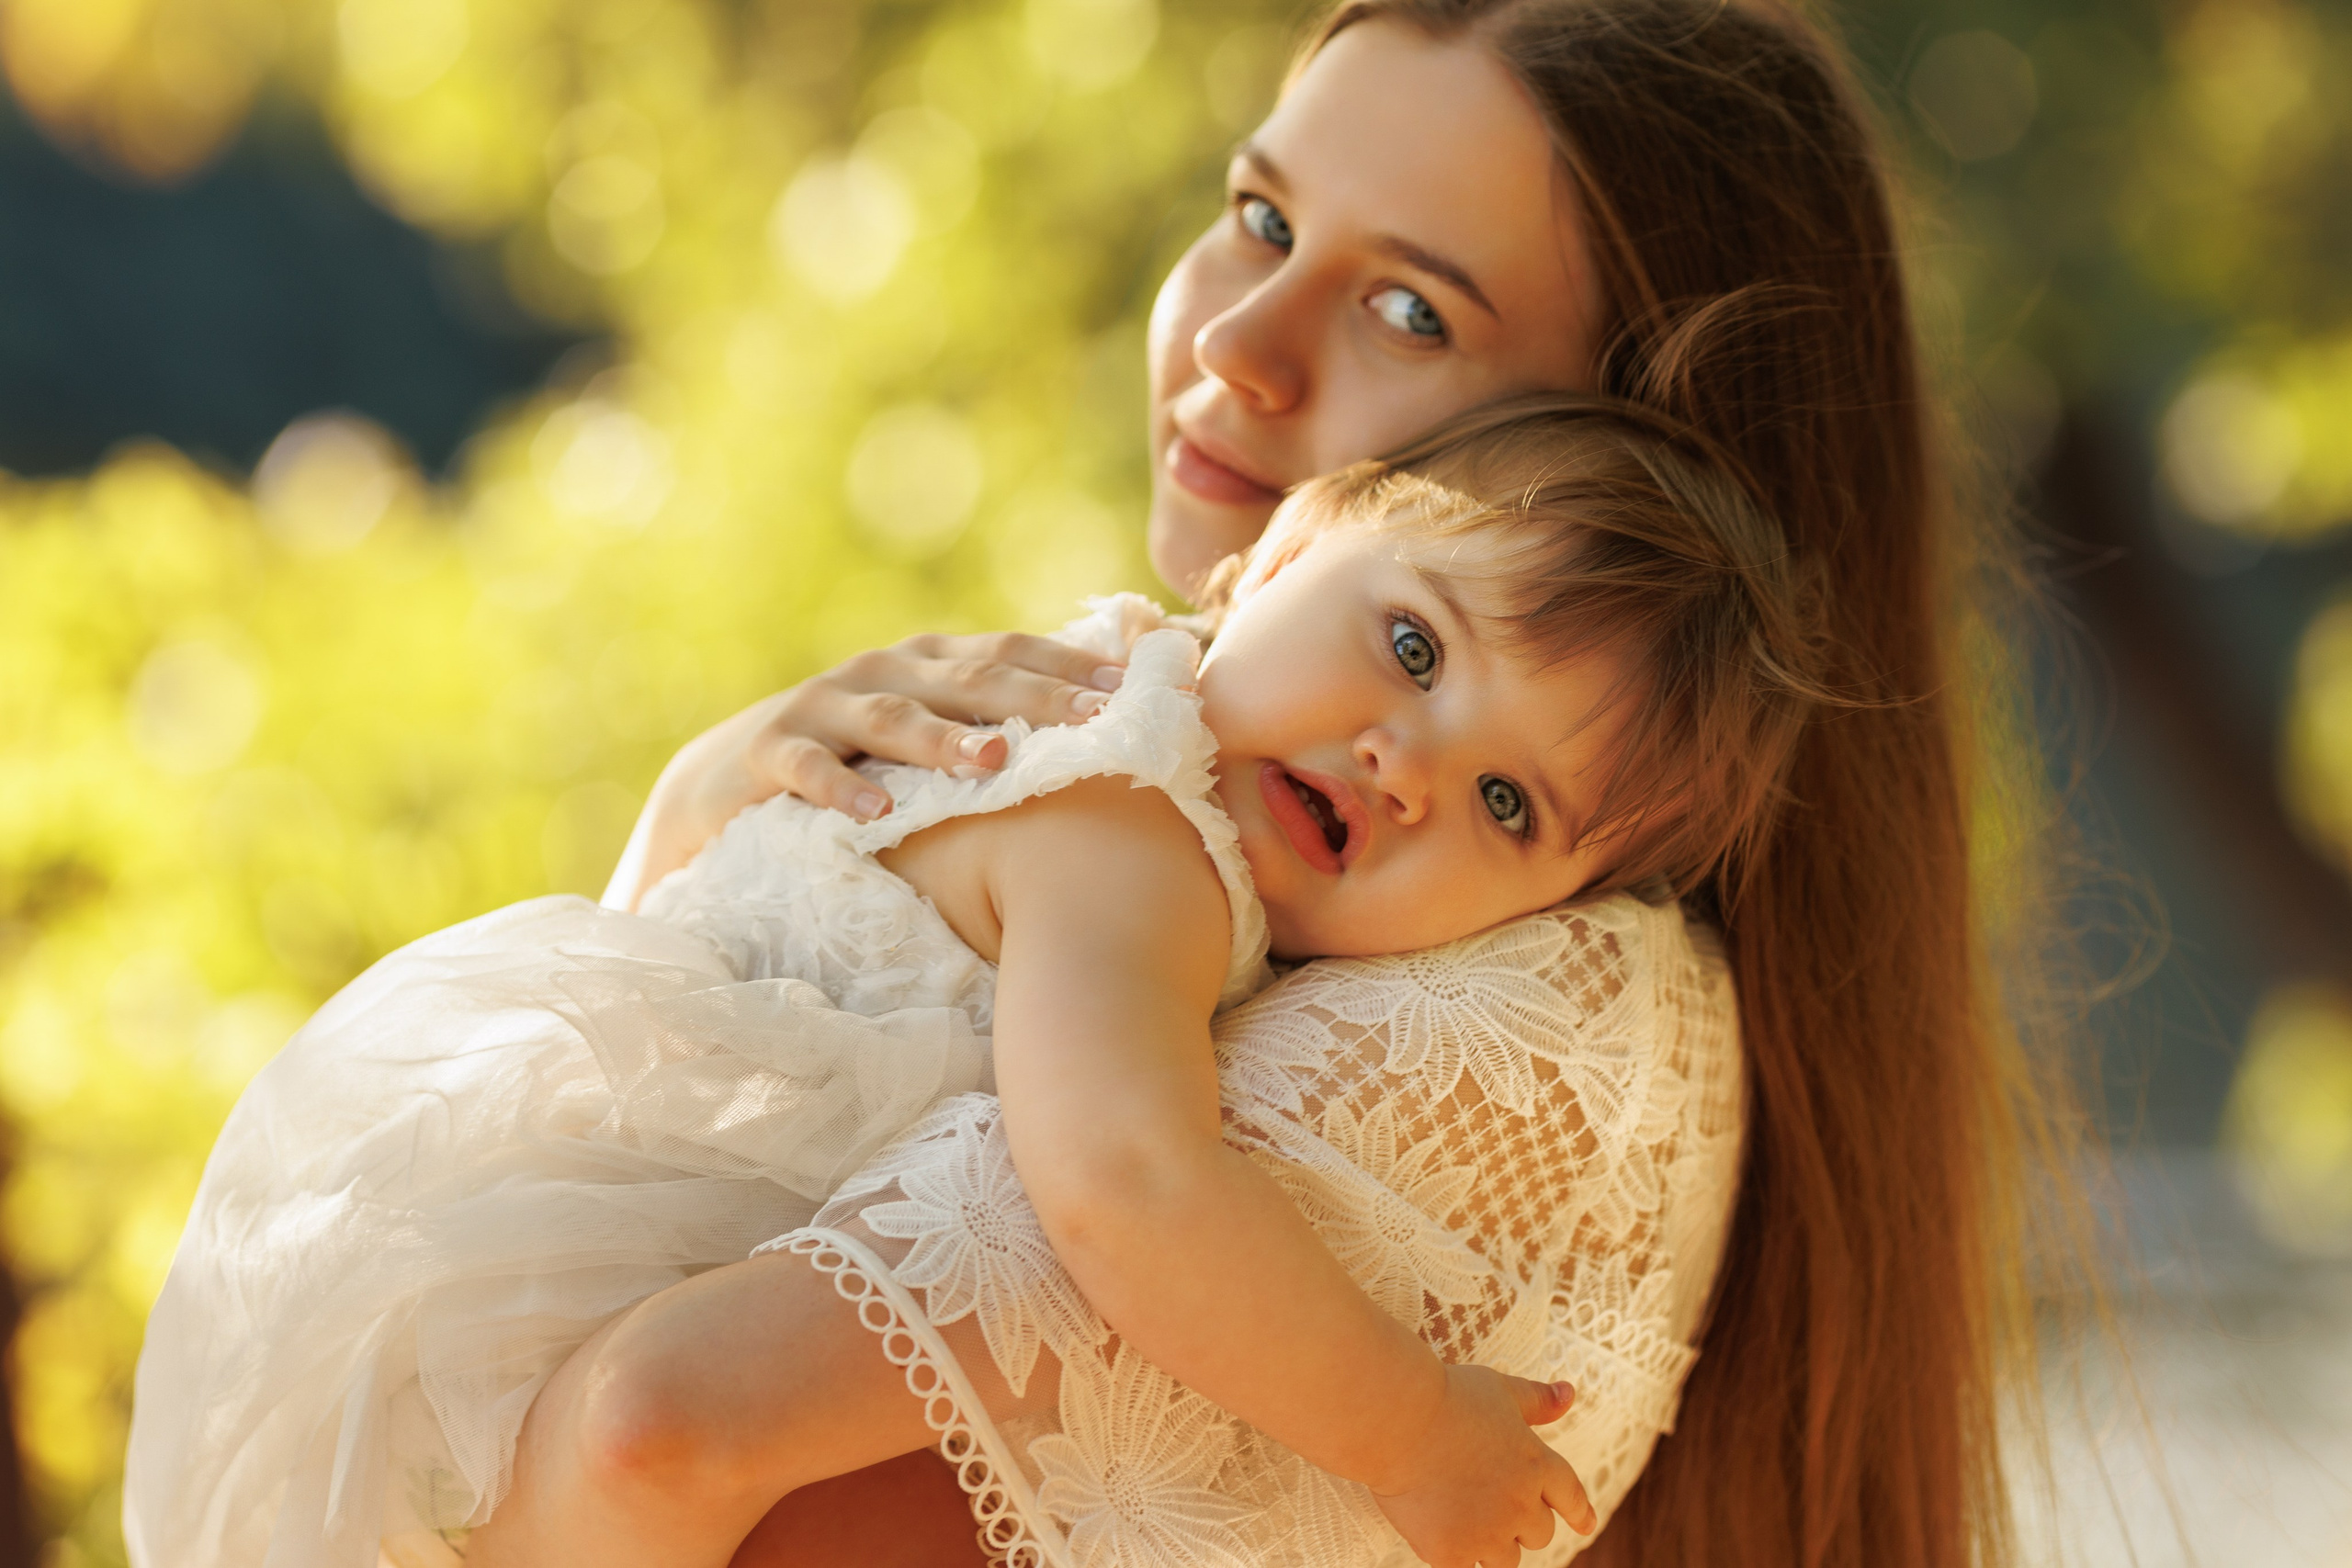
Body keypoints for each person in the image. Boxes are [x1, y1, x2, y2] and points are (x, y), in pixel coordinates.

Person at [615, 4, 2076, 1567]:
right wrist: (708, 809)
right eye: (1261, 219)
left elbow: (655, 1427)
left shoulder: (1525, 1032)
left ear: (1642, 467)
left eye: (1411, 310)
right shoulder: (1172, 784)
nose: (1235, 342)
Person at [125, 403, 1809, 1568]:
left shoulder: (1113, 727)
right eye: (1419, 645)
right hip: (553, 1271)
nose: (1407, 760)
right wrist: (1410, 1432)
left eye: (1509, 805)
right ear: (1289, 541)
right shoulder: (1136, 837)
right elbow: (1129, 1187)